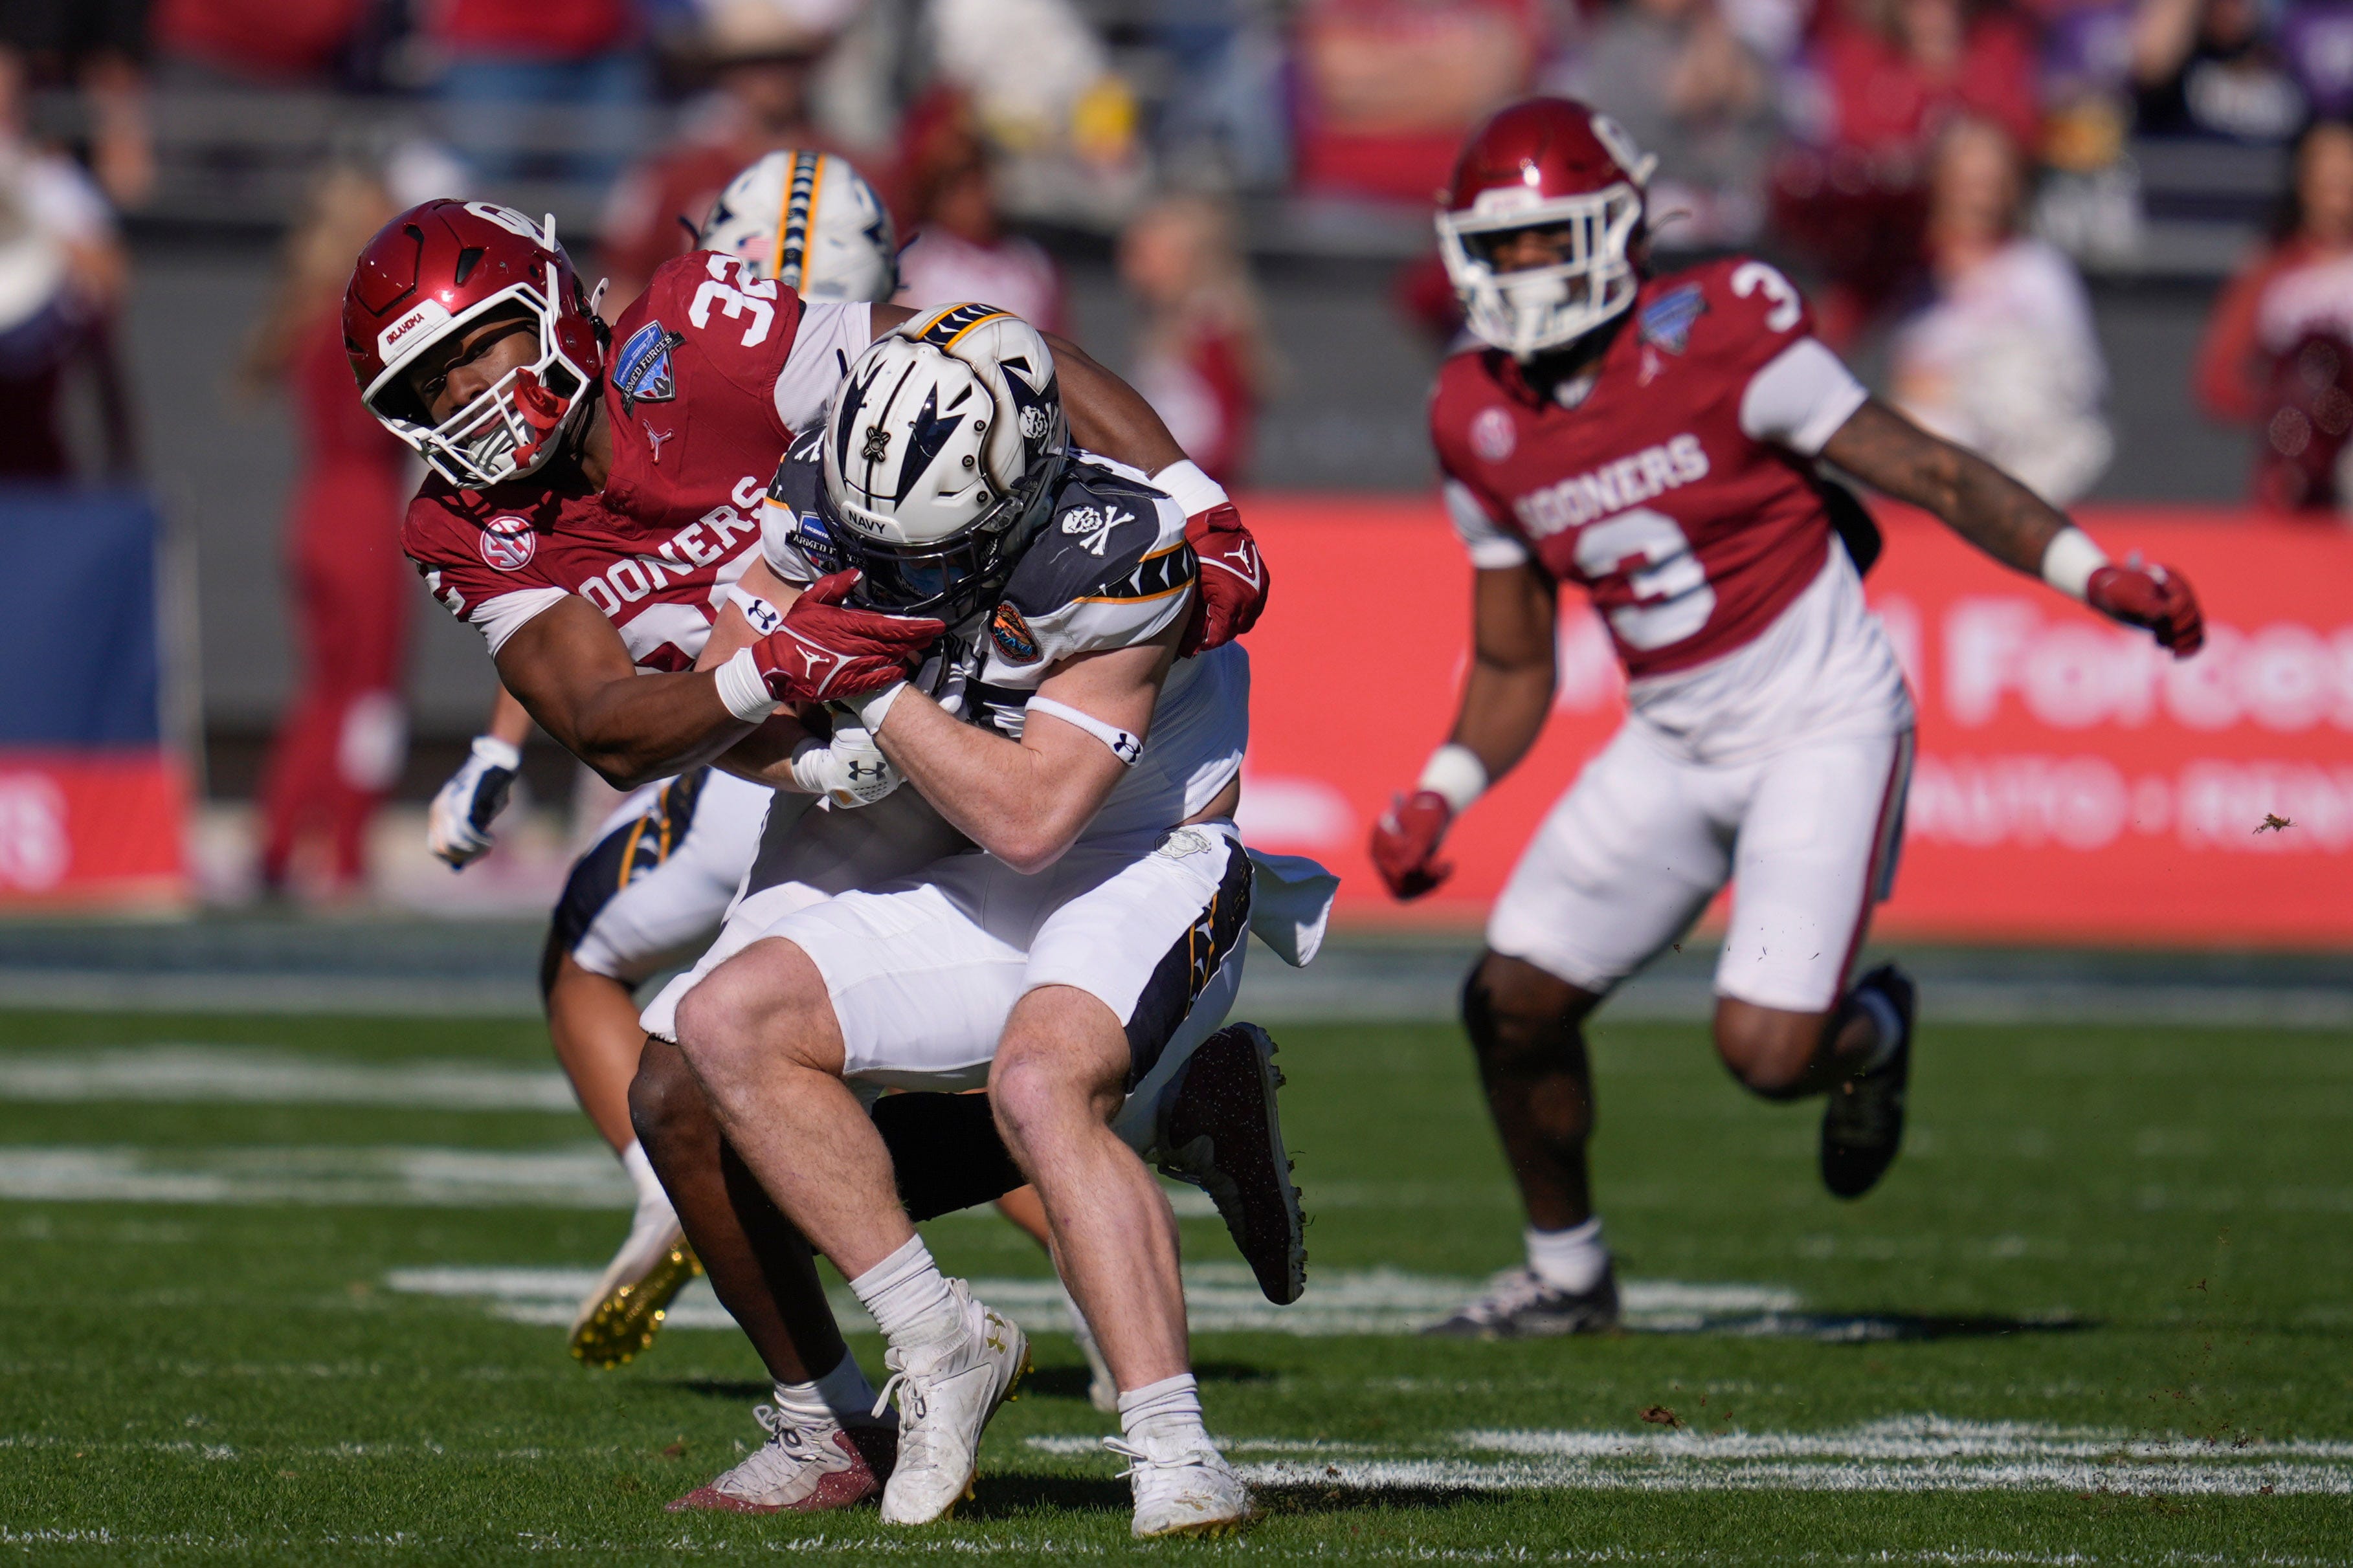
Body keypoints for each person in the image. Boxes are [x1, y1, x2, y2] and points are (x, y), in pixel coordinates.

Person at [343, 197, 1295, 1512]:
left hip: (982, 696)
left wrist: (1188, 495)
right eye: (428, 382)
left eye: (481, 348)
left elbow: (990, 346)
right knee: (685, 1090)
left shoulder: (698, 333)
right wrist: (771, 686)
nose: (468, 397)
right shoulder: (464, 525)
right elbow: (611, 725)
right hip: (818, 750)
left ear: (553, 306)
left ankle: (1138, 1127)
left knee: (1026, 1056)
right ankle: (838, 1414)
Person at [1372, 97, 2206, 1338]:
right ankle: (1569, 1269)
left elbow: (1927, 466)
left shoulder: (1725, 330)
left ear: (1611, 232)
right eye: (1500, 248)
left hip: (1819, 716)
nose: (1519, 272)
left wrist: (2092, 571)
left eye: (1545, 241)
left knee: (1766, 1052)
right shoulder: (1475, 414)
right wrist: (1444, 782)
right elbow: (1513, 653)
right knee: (1511, 1001)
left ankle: (1875, 1026)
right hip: (1670, 735)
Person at [659, 307, 1302, 1536]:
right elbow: (731, 693)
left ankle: (1176, 1449)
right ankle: (937, 1337)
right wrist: (816, 761)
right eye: (874, 549)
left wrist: (866, 681)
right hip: (974, 841)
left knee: (1042, 1086)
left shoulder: (1117, 549)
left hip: (1139, 853)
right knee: (724, 1020)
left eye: (933, 553)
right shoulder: (824, 480)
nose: (899, 575)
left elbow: (1033, 817)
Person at [242, 164, 412, 898]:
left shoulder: (309, 318)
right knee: (369, 691)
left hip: (316, 506)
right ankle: (345, 847)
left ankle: (281, 840)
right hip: (364, 511)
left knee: (325, 687)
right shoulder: (360, 322)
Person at [1890, 116, 2113, 505]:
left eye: (1991, 182)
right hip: (1924, 492)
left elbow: (2081, 380)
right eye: (1966, 182)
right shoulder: (1907, 277)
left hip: (2026, 479)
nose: (1979, 197)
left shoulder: (2039, 272)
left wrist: (1981, 385)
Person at [598, 1, 849, 311]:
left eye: (785, 60)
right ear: (725, 70)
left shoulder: (855, 174)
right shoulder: (675, 178)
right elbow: (624, 288)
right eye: (754, 62)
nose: (770, 76)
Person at [2194, 117, 2353, 510]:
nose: (2336, 179)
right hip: (2290, 476)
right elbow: (2218, 379)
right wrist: (2293, 402)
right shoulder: (2271, 270)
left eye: (2346, 167)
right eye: (2324, 167)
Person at [1117, 193, 1271, 486]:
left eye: (1143, 254)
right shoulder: (1163, 326)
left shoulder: (1212, 329)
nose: (1129, 267)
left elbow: (1215, 438)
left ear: (1188, 259)